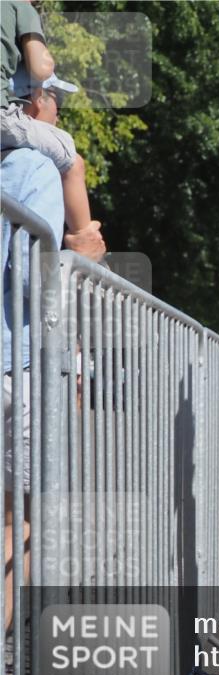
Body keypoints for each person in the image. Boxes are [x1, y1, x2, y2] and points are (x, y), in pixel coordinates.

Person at [1, 147, 64, 631]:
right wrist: (78, 264)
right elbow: (31, 278)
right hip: (9, 361)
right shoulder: (31, 163)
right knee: (15, 521)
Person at [1, 0, 105, 257]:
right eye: (58, 105)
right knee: (70, 156)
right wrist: (46, 59)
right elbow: (41, 68)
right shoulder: (19, 7)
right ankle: (83, 240)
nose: (58, 118)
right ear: (38, 98)